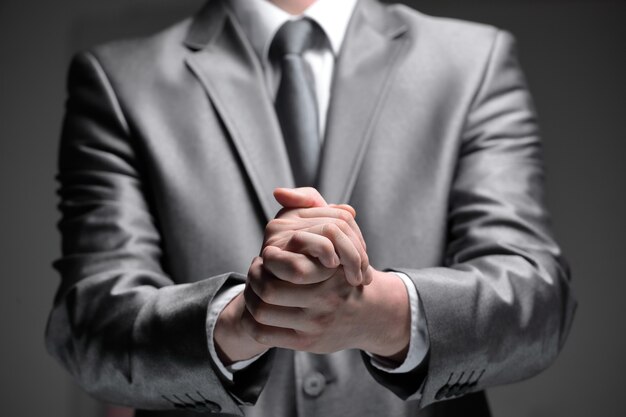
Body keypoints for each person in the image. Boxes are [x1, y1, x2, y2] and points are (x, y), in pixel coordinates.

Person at [45, 0, 577, 415]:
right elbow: (89, 321)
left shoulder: (474, 61)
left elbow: (538, 300)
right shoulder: (119, 79)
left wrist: (386, 314)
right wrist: (236, 322)